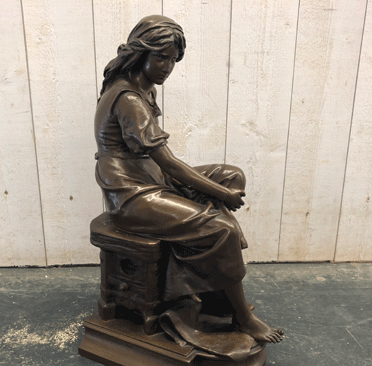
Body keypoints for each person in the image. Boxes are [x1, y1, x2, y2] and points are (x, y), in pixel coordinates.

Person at [95, 15, 283, 344]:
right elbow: (169, 163)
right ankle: (241, 316)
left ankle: (206, 277)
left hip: (151, 177)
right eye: (161, 58)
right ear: (141, 52)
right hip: (130, 194)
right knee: (221, 227)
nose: (168, 67)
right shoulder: (129, 99)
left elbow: (163, 165)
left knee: (232, 175)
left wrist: (222, 188)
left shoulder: (142, 87)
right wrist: (221, 195)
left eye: (173, 59)